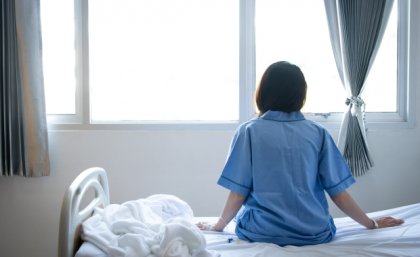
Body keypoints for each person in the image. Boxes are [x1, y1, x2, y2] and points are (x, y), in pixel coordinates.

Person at [197, 61, 404, 246]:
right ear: (300, 95)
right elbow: (339, 195)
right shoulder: (318, 133)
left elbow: (238, 193)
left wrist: (218, 226)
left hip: (260, 231)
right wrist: (372, 224)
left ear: (263, 93)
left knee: (245, 215)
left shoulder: (249, 131)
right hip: (314, 232)